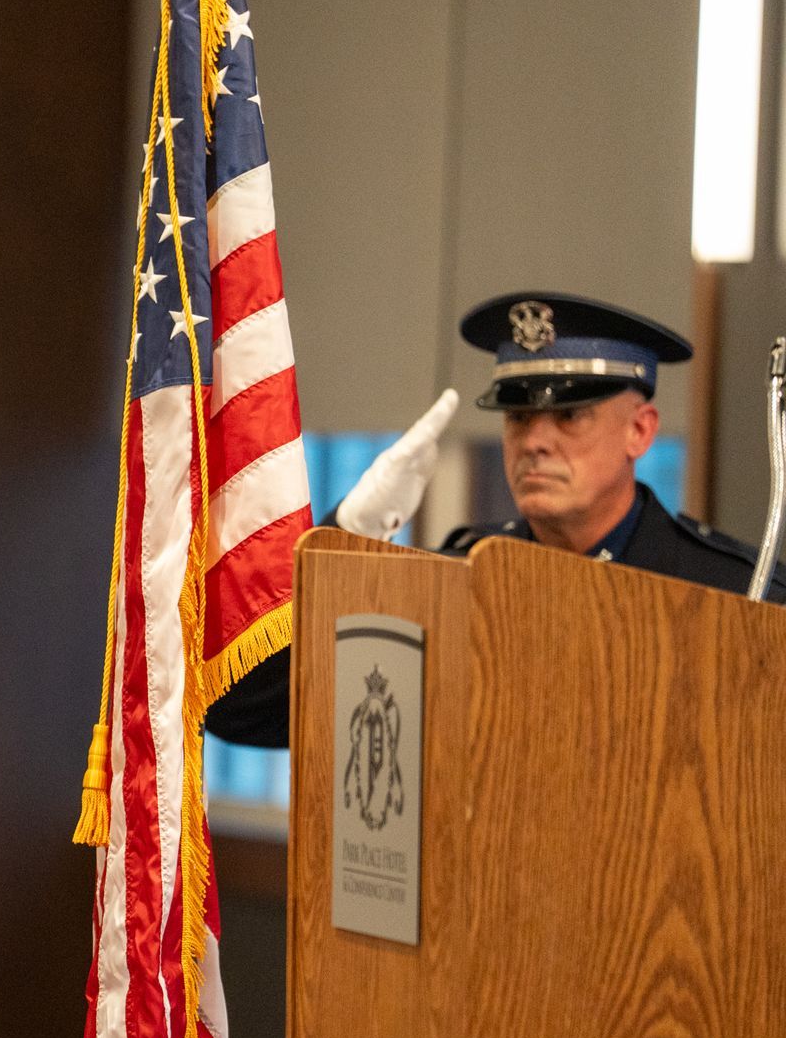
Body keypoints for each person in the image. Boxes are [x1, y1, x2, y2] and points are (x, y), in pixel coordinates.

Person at [210, 291, 785, 746]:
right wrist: (347, 537)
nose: (535, 441)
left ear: (640, 431)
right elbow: (244, 707)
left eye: (569, 415)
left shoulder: (735, 595)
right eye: (518, 417)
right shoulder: (458, 579)